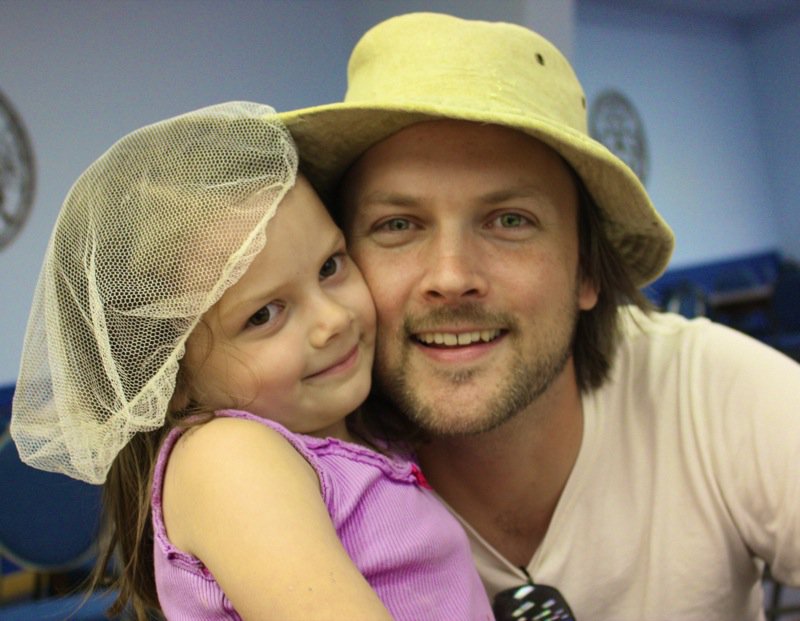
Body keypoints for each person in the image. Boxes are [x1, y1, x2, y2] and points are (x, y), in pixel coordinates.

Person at [278, 12, 800, 621]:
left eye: (510, 221)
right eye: (398, 225)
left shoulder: (708, 393)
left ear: (587, 270)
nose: (451, 276)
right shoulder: (296, 473)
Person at [10, 102, 494, 620]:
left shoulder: (357, 435)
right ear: (166, 375)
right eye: (263, 315)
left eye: (330, 266)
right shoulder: (226, 456)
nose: (332, 319)